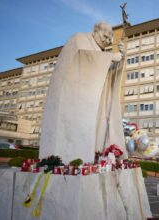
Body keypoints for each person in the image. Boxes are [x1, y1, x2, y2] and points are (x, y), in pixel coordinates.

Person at [39, 22, 126, 163]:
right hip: (72, 101)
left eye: (110, 39)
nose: (108, 41)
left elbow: (106, 74)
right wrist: (110, 57)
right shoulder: (79, 39)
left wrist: (121, 58)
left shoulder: (101, 52)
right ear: (95, 31)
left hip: (91, 103)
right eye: (105, 36)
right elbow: (83, 58)